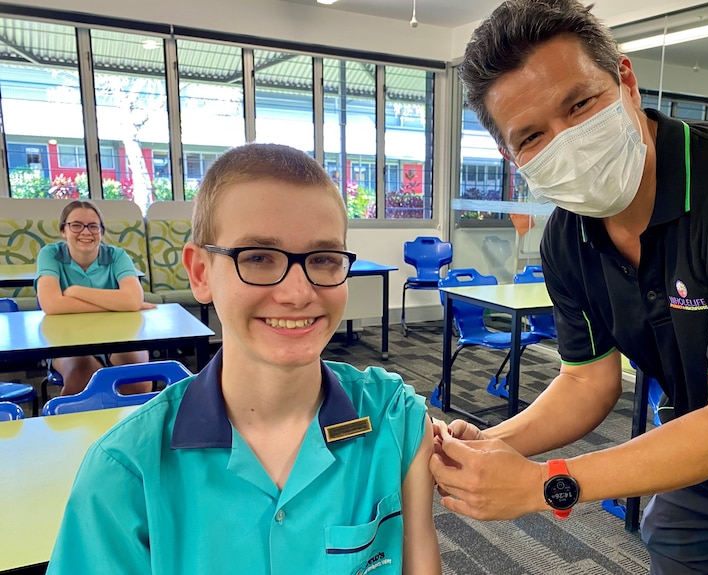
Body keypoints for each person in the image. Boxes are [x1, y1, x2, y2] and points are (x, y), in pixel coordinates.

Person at [429, 1, 708, 574]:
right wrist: (493, 444)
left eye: (580, 104)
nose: (569, 141)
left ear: (626, 80)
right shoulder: (568, 239)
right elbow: (586, 381)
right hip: (695, 450)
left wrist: (543, 486)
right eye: (532, 136)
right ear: (511, 156)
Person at [46, 144, 442, 575]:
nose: (297, 293)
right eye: (257, 257)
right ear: (200, 273)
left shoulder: (394, 420)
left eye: (324, 259)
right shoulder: (125, 472)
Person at [36, 199, 153, 396]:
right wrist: (118, 304)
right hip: (67, 340)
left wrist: (75, 291)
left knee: (138, 379)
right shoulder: (50, 254)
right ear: (63, 231)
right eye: (76, 225)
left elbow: (132, 300)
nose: (85, 232)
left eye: (93, 226)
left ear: (102, 231)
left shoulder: (117, 255)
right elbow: (51, 304)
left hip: (119, 337)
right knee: (82, 378)